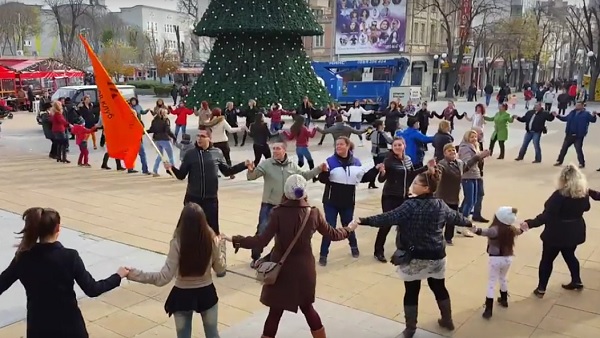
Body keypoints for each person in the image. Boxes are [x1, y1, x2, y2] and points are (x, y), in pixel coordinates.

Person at [221, 175, 358, 338]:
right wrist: (349, 229)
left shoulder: (277, 213)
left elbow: (261, 241)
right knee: (307, 308)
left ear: (286, 192)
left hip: (281, 270)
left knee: (275, 312)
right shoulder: (313, 213)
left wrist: (235, 239)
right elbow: (333, 234)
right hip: (304, 270)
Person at [354, 169, 473, 338]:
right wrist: (471, 224)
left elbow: (388, 217)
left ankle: (410, 328)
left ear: (426, 188)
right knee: (439, 287)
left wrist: (363, 220)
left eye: (416, 183)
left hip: (414, 257)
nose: (412, 185)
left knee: (411, 292)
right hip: (436, 256)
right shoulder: (440, 204)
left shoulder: (410, 205)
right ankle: (447, 320)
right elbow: (456, 217)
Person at [0, 207, 128, 338]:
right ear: (57, 228)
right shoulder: (69, 257)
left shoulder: (23, 258)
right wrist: (117, 276)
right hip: (70, 328)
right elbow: (92, 289)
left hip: (39, 328)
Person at [127, 203, 226, 338]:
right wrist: (221, 248)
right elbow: (220, 269)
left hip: (182, 295)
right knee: (212, 333)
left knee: (183, 335)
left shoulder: (177, 242)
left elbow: (163, 278)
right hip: (206, 292)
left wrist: (134, 274)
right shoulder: (211, 240)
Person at [523, 165, 595, 298]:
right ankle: (576, 280)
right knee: (570, 255)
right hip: (574, 231)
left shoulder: (559, 196)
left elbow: (547, 216)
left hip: (556, 233)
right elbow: (587, 208)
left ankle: (541, 288)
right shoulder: (583, 193)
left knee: (547, 260)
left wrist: (529, 223)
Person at [246, 144, 324, 266]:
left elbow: (304, 176)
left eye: (278, 148)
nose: (275, 151)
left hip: (286, 206)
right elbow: (252, 177)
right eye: (274, 148)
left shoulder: (292, 166)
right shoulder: (266, 164)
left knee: (284, 233)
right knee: (262, 230)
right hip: (269, 204)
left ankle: (278, 255)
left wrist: (318, 169)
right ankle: (255, 256)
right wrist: (250, 169)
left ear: (284, 150)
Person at [166, 126, 251, 237]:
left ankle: (212, 253)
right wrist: (170, 168)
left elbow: (227, 171)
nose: (199, 138)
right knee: (186, 231)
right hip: (193, 199)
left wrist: (243, 165)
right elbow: (181, 175)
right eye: (198, 135)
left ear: (209, 138)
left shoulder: (217, 153)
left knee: (213, 232)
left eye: (203, 136)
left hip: (210, 200)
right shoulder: (190, 154)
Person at [373, 137, 431, 261]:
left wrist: (426, 167)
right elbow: (381, 180)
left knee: (405, 224)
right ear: (392, 148)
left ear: (404, 146)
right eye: (395, 145)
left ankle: (404, 249)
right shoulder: (388, 161)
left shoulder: (408, 159)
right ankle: (378, 250)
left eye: (400, 145)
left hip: (403, 196)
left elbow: (410, 175)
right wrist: (382, 172)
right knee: (386, 223)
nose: (398, 147)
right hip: (390, 196)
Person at [317, 137, 367, 266]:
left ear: (347, 146)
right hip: (331, 201)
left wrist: (377, 170)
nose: (338, 146)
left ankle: (354, 247)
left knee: (348, 224)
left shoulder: (356, 162)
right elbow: (323, 180)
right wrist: (323, 172)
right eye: (336, 145)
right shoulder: (330, 161)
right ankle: (323, 254)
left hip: (348, 201)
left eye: (341, 144)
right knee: (329, 227)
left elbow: (362, 178)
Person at [472, 207, 525, 319]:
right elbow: (520, 231)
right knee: (503, 278)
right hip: (508, 258)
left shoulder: (495, 229)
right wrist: (525, 227)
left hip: (495, 259)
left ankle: (488, 310)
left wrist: (474, 229)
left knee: (491, 282)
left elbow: (482, 232)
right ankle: (504, 299)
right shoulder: (512, 229)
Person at [437, 143, 489, 244]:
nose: (452, 152)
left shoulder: (459, 163)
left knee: (451, 219)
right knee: (440, 219)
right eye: (449, 151)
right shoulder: (442, 164)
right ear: (444, 153)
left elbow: (467, 165)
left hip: (454, 196)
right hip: (442, 196)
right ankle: (436, 237)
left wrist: (478, 157)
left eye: (453, 150)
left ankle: (448, 238)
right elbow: (438, 174)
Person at [458, 130, 489, 226]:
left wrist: (481, 156)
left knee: (474, 199)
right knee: (469, 200)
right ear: (467, 137)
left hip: (476, 174)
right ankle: (463, 222)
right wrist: (479, 156)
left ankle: (464, 217)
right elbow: (467, 164)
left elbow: (477, 161)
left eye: (475, 137)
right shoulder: (464, 148)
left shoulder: (475, 146)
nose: (474, 139)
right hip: (468, 176)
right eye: (472, 137)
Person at [553, 102, 597, 169]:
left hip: (579, 135)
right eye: (576, 105)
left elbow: (593, 120)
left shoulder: (586, 114)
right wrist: (557, 116)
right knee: (564, 148)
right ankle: (559, 161)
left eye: (579, 105)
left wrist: (594, 115)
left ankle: (581, 163)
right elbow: (565, 119)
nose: (577, 106)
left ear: (582, 106)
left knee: (578, 149)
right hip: (569, 134)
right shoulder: (572, 113)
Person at [147, 108, 177, 176]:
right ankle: (173, 171)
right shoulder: (165, 120)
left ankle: (155, 170)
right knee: (170, 156)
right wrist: (174, 137)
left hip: (157, 140)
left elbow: (151, 129)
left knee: (160, 156)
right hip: (165, 139)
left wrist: (145, 131)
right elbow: (168, 131)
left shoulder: (154, 120)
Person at [365, 120, 393, 189]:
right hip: (382, 152)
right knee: (385, 168)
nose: (384, 126)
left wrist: (369, 130)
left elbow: (367, 137)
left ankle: (371, 182)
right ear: (380, 126)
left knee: (376, 168)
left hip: (374, 153)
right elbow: (390, 141)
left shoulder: (372, 132)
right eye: (383, 124)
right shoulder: (383, 133)